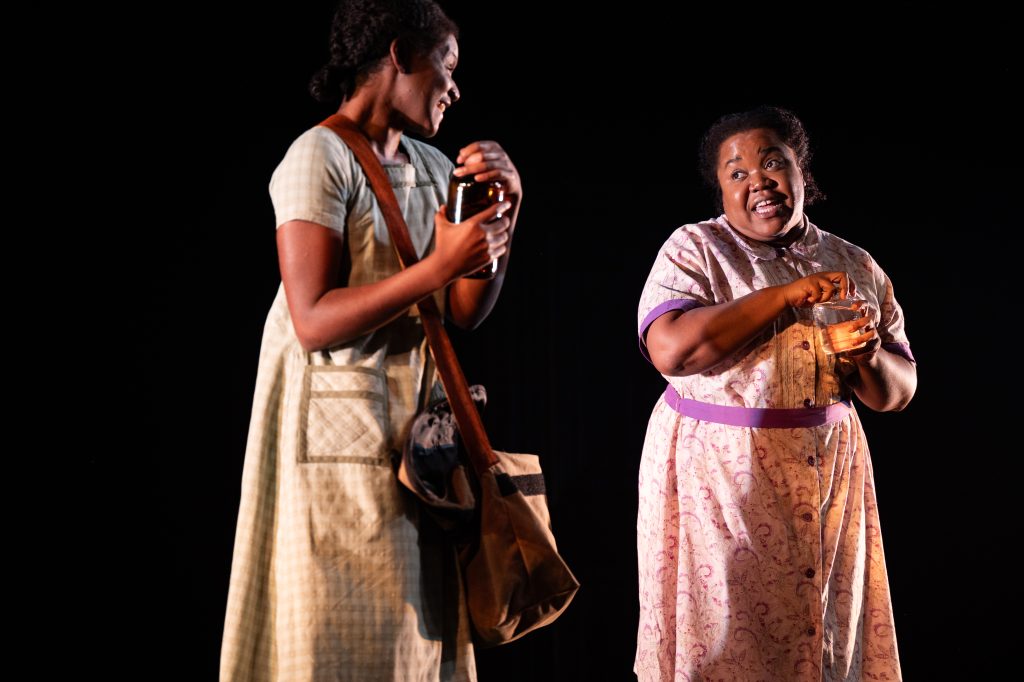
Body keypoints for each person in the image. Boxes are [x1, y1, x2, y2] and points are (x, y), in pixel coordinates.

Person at [219, 1, 522, 680]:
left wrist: (507, 212)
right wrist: (439, 266)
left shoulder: (434, 165)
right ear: (399, 54)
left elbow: (463, 311)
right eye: (447, 64)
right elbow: (312, 318)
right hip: (333, 438)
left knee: (415, 642)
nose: (455, 87)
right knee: (338, 635)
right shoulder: (318, 155)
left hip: (418, 441)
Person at [634, 106, 916, 681]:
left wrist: (865, 356)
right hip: (721, 480)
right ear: (721, 191)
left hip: (826, 476)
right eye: (737, 173)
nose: (757, 181)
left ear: (800, 171)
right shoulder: (696, 249)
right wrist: (788, 295)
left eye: (772, 164)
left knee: (821, 636)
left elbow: (898, 393)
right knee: (724, 641)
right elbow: (672, 350)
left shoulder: (853, 262)